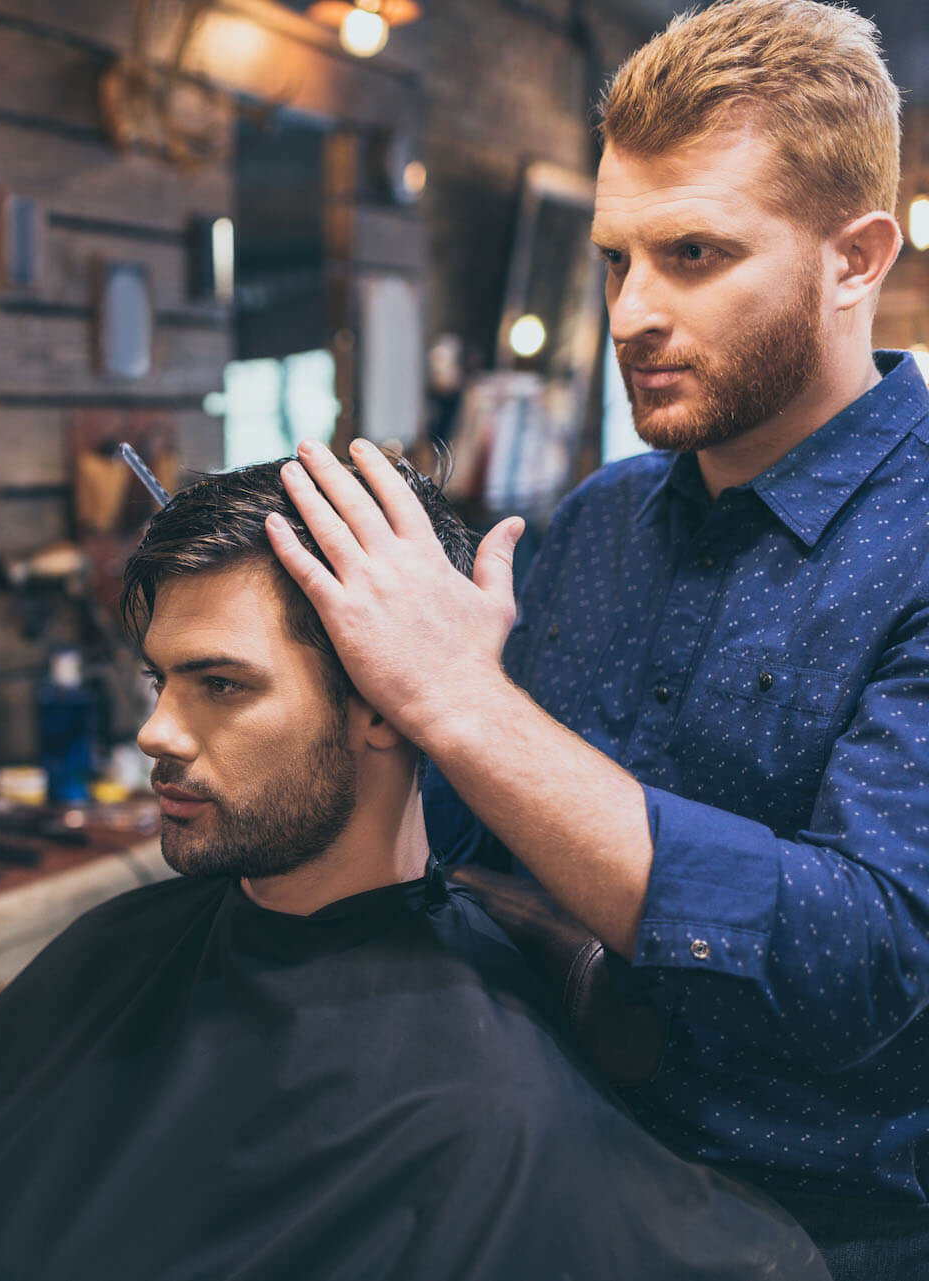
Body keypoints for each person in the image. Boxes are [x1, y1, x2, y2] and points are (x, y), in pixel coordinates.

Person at [0, 458, 825, 1281]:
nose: (155, 732)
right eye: (159, 681)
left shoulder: (471, 1112)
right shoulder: (125, 950)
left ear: (388, 704)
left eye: (220, 685)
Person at [268, 3, 929, 1274]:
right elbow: (478, 825)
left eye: (692, 254)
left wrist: (468, 704)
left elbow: (872, 963)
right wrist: (324, 714)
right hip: (537, 1157)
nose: (630, 313)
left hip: (817, 1235)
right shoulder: (602, 522)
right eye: (615, 259)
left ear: (855, 260)